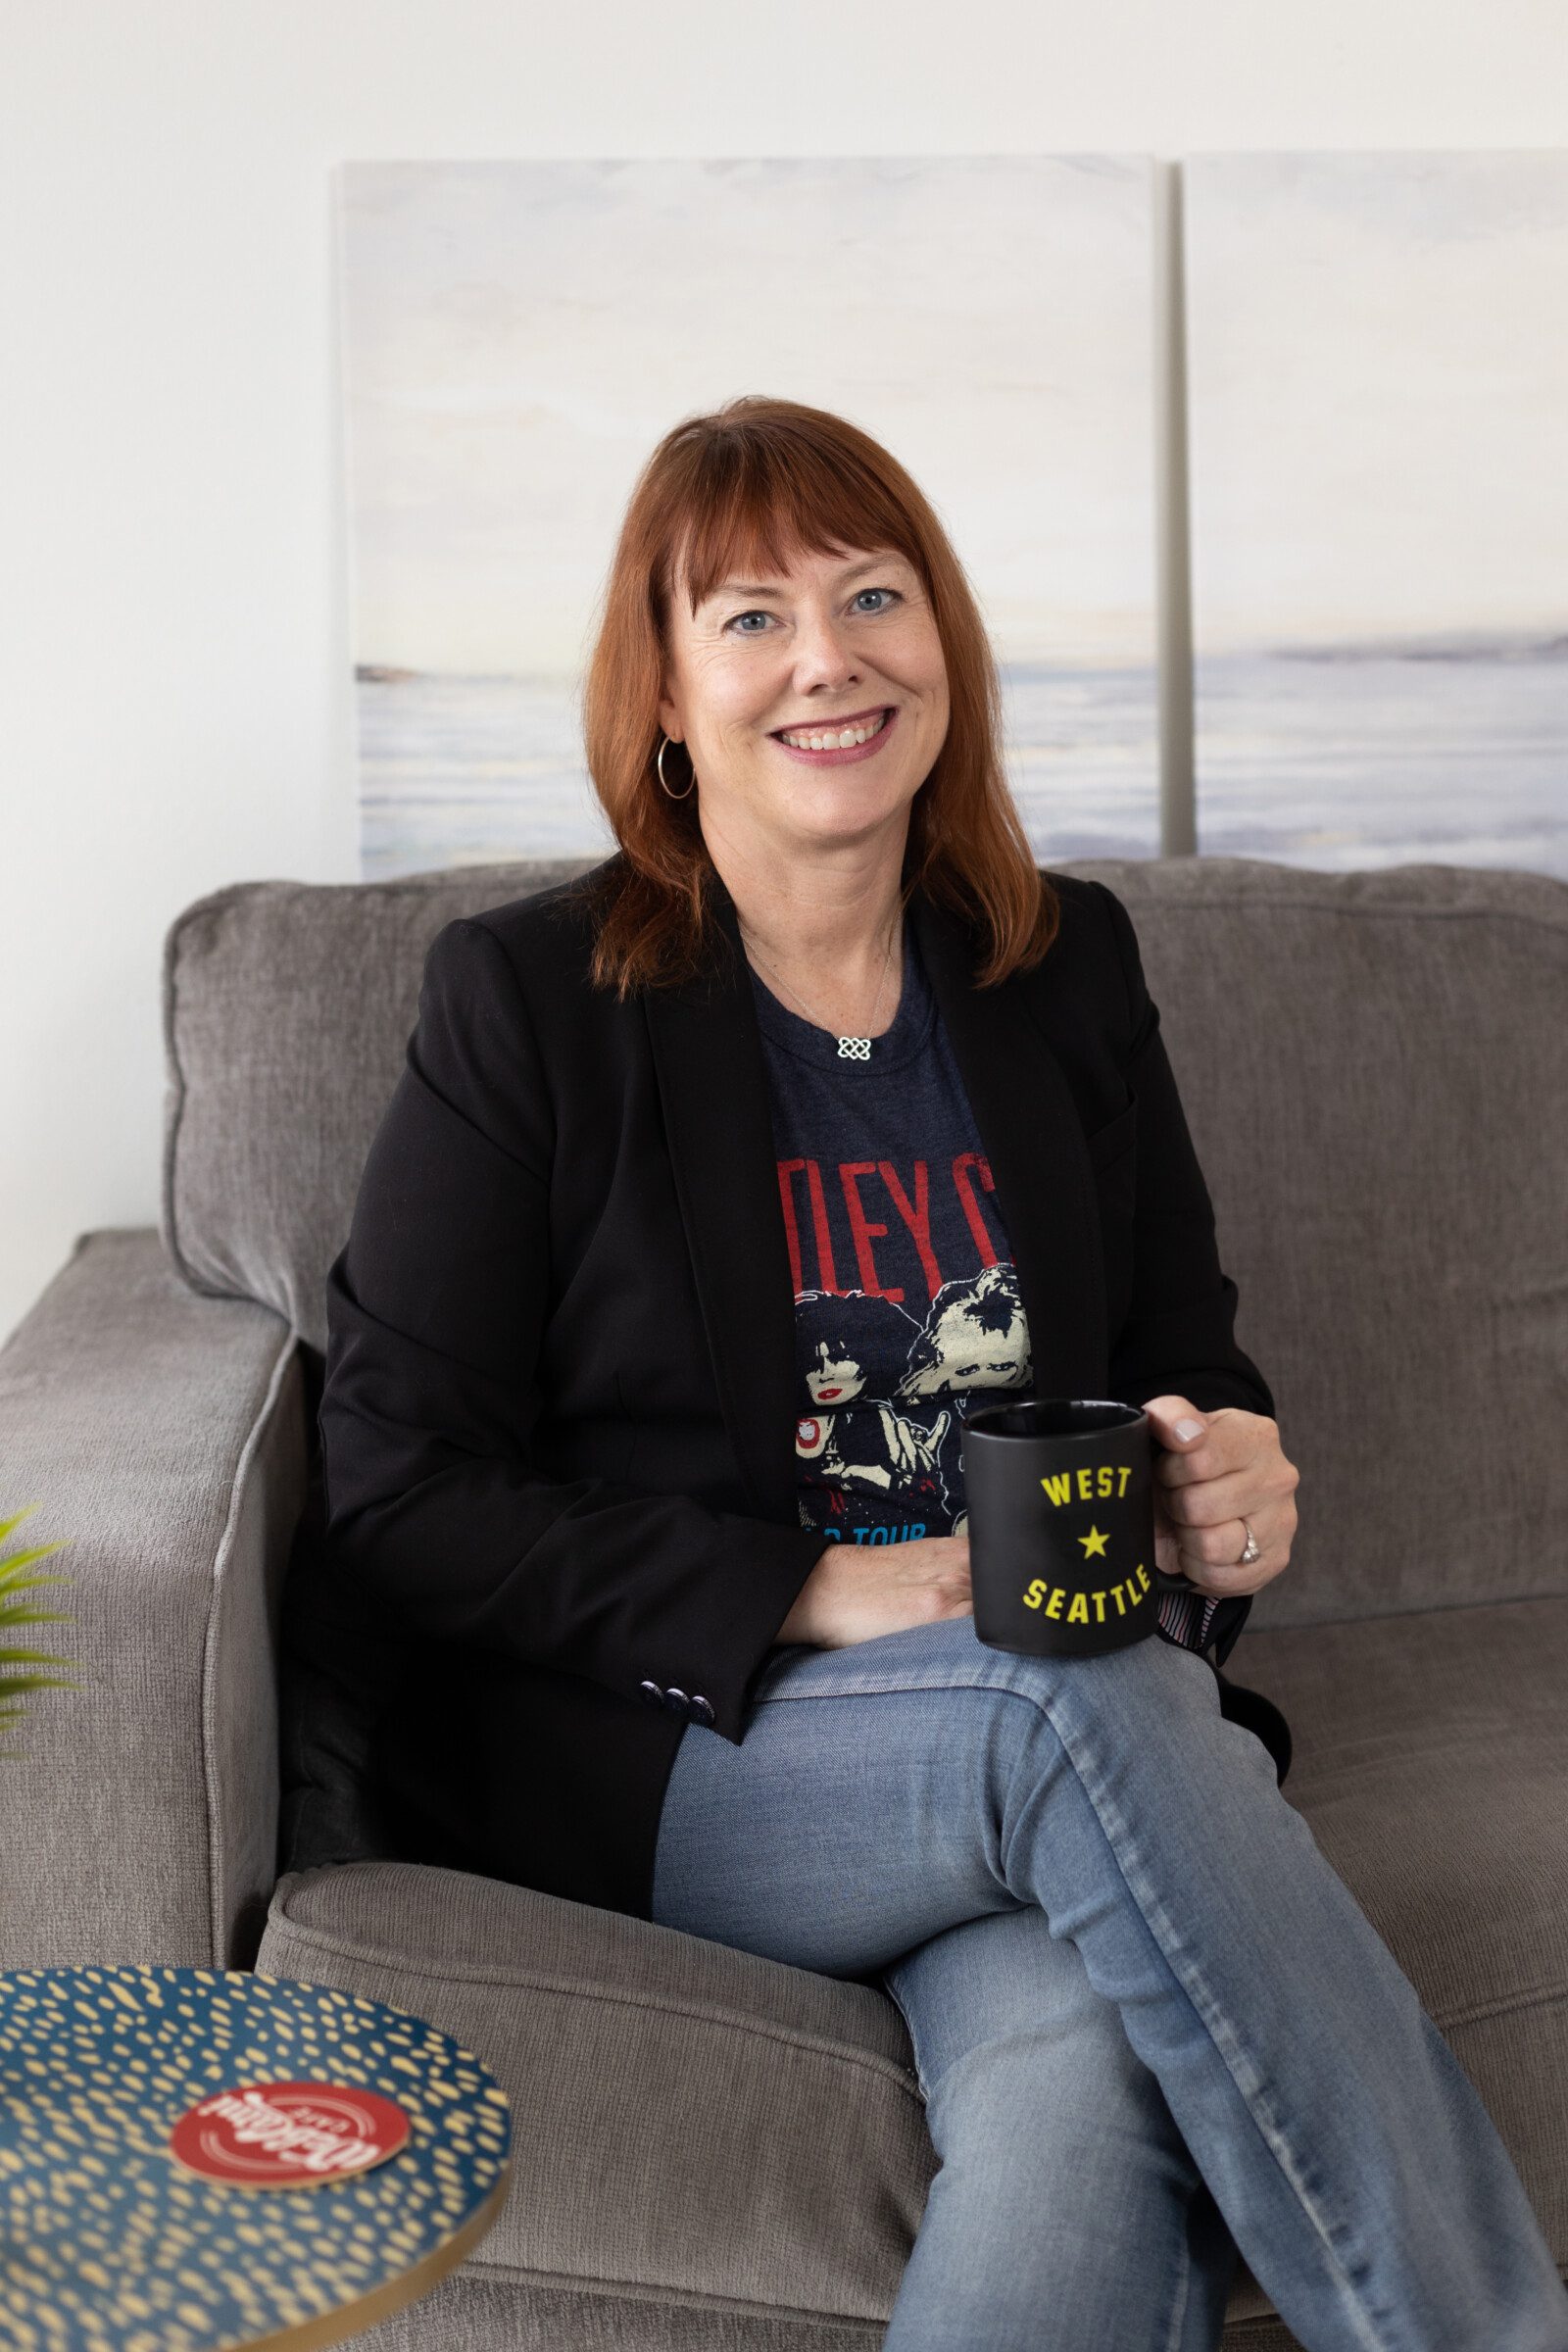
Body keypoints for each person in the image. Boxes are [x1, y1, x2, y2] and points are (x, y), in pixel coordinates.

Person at [317, 395, 1568, 2351]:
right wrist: (821, 1588)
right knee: (1075, 1696)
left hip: (1039, 1750)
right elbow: (394, 1493)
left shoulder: (1059, 970)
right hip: (685, 1745)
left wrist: (1225, 1480)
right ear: (663, 695)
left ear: (944, 647)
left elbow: (1178, 1361)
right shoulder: (532, 1003)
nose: (828, 657)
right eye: (750, 617)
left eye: (872, 595)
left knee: (1083, 2081)